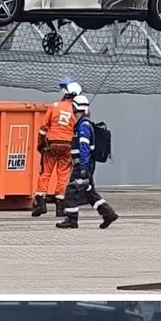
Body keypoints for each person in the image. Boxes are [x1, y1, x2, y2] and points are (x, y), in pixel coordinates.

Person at [56, 94, 119, 229]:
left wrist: (83, 167)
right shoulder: (83, 124)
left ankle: (71, 220)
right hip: (84, 163)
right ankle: (108, 214)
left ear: (75, 109)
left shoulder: (83, 126)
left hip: (83, 164)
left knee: (71, 189)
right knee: (89, 191)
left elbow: (84, 147)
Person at [32, 79, 80, 217]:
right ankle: (60, 208)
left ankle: (41, 204)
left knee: (45, 173)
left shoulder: (54, 106)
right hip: (67, 145)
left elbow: (43, 128)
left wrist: (40, 145)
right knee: (63, 174)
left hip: (51, 144)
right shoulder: (76, 110)